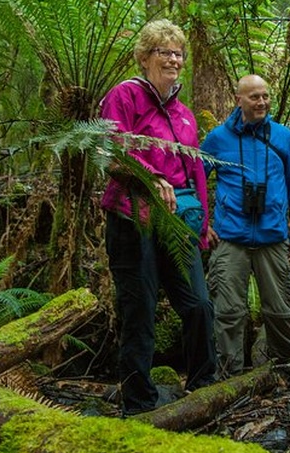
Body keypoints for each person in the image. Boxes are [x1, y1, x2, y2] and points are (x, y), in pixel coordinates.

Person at [99, 19, 216, 416]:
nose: (173, 59)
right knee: (140, 309)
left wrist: (203, 224)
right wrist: (149, 178)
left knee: (199, 304)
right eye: (164, 51)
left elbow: (195, 167)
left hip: (180, 220)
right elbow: (112, 149)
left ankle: (203, 385)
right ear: (145, 57)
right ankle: (139, 403)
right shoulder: (125, 96)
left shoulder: (183, 113)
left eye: (178, 52)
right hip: (133, 217)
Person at [201, 75, 290, 391]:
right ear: (238, 99)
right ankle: (229, 381)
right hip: (230, 240)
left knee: (279, 311)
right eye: (254, 97)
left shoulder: (283, 137)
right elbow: (196, 180)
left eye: (265, 96)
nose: (262, 102)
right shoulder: (217, 140)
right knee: (228, 312)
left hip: (273, 238)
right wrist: (202, 223)